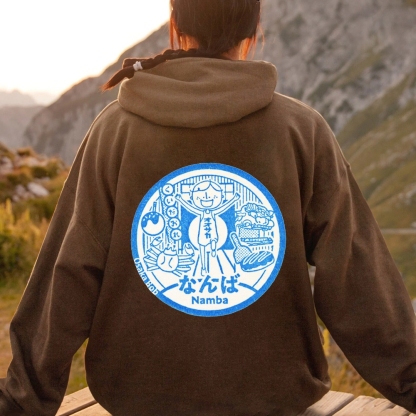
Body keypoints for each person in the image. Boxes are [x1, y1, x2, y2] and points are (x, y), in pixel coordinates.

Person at [1, 0, 416, 414]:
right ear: (253, 33)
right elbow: (355, 274)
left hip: (138, 400)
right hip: (274, 399)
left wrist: (21, 402)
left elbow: (68, 272)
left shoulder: (114, 131)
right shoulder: (301, 130)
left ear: (175, 27)